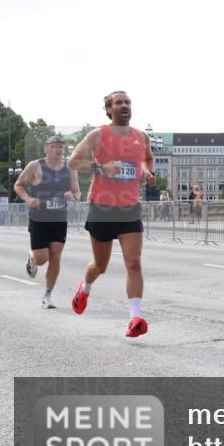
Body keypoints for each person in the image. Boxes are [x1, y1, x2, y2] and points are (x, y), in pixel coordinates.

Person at [68, 90, 154, 338]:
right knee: (101, 266)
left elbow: (148, 159)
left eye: (127, 102)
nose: (124, 105)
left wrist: (148, 172)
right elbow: (73, 161)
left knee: (133, 262)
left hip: (129, 207)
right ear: (108, 110)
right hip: (102, 208)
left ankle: (134, 318)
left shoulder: (141, 136)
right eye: (119, 103)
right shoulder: (98, 135)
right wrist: (101, 168)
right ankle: (84, 288)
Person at [14, 135, 81, 309]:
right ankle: (32, 258)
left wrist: (72, 196)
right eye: (54, 146)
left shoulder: (70, 168)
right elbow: (18, 184)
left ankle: (48, 295)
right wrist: (28, 199)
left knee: (55, 256)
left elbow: (77, 192)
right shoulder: (35, 166)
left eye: (61, 146)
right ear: (46, 148)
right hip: (39, 219)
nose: (58, 149)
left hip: (59, 219)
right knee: (42, 258)